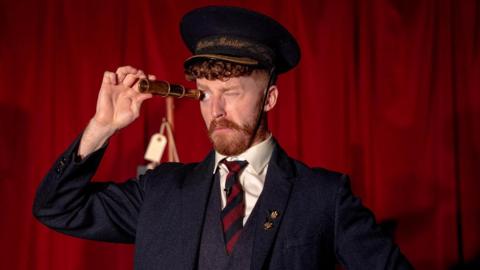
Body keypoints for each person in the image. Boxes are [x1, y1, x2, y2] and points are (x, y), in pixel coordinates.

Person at [33, 6, 413, 270]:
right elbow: (57, 209)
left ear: (270, 98)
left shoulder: (324, 197)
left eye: (230, 92)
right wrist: (103, 126)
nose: (215, 110)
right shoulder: (159, 191)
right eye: (204, 93)